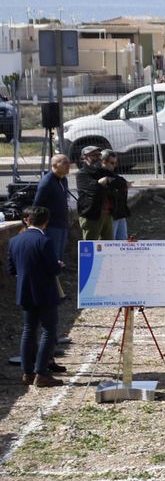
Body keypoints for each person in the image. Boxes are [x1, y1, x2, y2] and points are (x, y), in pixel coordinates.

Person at [8, 206, 64, 387]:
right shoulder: (44, 241)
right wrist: (59, 265)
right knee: (49, 329)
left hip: (25, 291)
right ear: (45, 222)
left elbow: (12, 269)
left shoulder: (14, 241)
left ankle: (27, 372)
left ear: (27, 220)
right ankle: (42, 372)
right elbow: (53, 269)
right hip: (45, 291)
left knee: (28, 330)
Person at [33, 153, 72, 264]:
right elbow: (37, 205)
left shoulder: (63, 180)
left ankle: (58, 278)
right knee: (52, 256)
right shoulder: (47, 183)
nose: (68, 166)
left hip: (63, 223)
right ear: (55, 165)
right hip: (51, 225)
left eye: (69, 163)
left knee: (60, 256)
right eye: (65, 163)